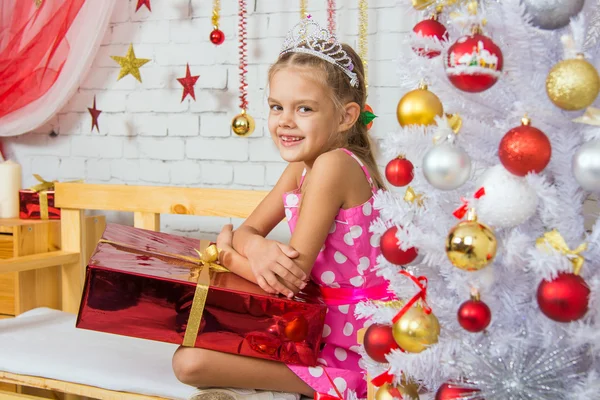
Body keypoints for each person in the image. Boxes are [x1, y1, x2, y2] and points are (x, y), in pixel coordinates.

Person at [172, 17, 391, 400]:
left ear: (346, 116)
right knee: (188, 352)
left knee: (190, 363)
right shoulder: (301, 168)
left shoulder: (334, 164)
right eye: (276, 106)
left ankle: (341, 386)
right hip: (311, 324)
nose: (284, 121)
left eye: (304, 109)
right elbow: (247, 231)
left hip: (353, 343)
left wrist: (225, 254)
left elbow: (291, 280)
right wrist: (255, 247)